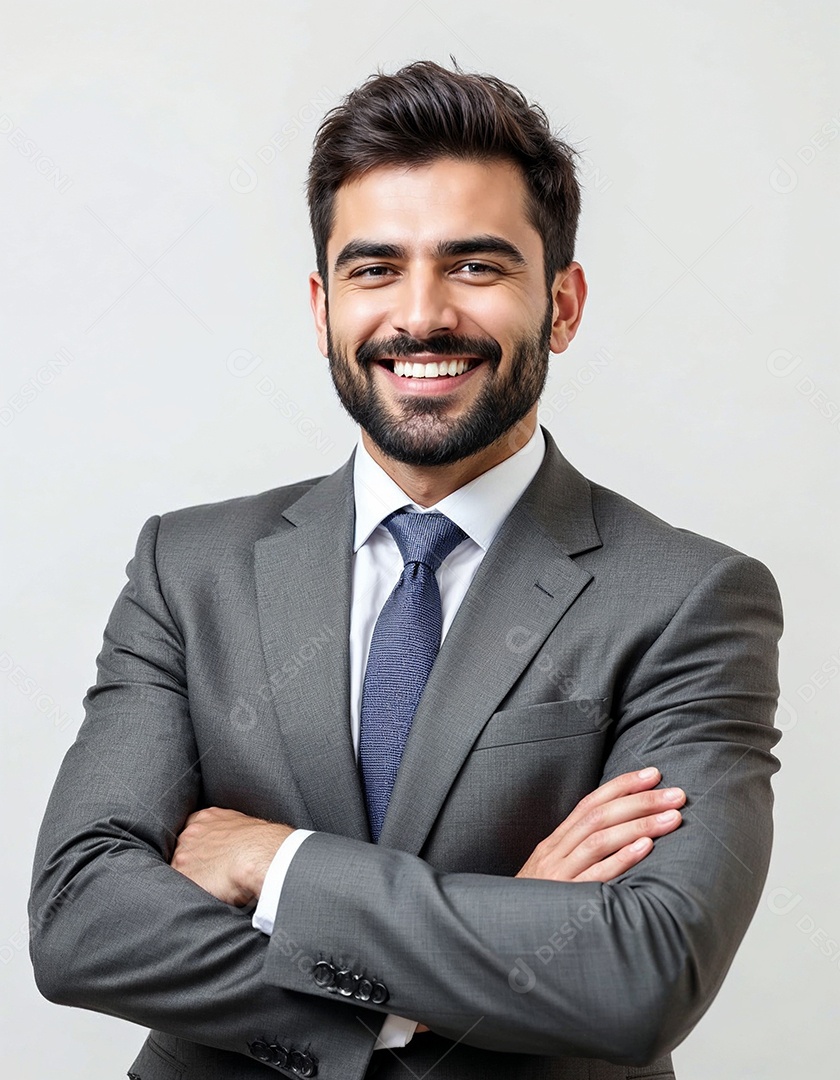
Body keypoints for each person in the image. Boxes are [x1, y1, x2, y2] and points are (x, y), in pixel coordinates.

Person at [29, 61, 783, 1080]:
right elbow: (81, 917)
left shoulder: (690, 598)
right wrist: (434, 988)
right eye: (375, 270)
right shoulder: (188, 568)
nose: (420, 316)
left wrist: (276, 864)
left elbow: (644, 973)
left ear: (562, 305)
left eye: (475, 267)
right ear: (322, 307)